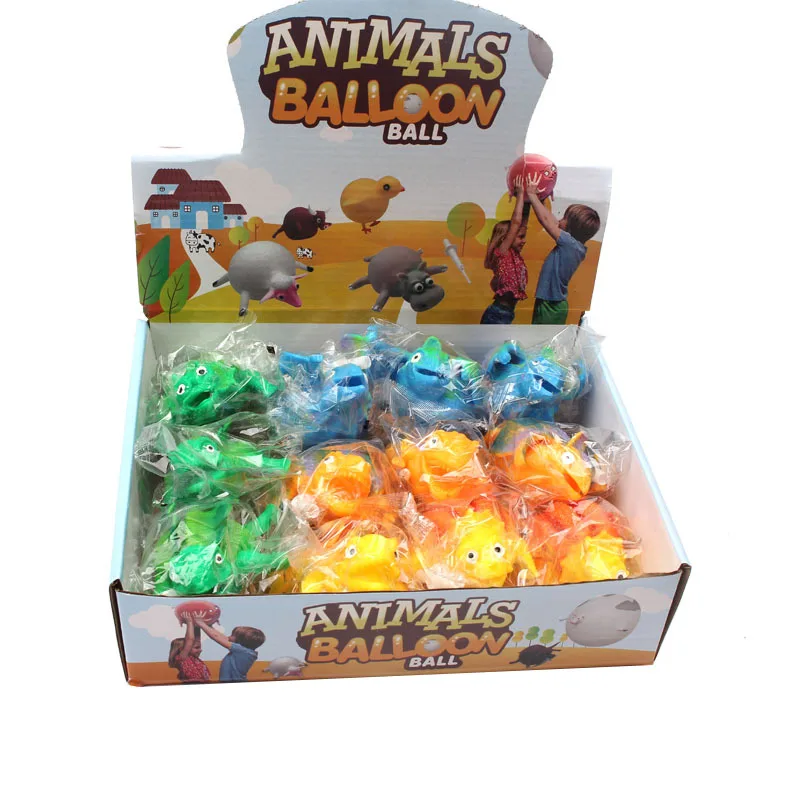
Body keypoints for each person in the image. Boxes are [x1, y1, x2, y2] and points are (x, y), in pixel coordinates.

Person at [526, 173, 601, 325]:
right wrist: (541, 199)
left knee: (539, 337)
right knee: (541, 337)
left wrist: (532, 195)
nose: (559, 219)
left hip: (550, 306)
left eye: (564, 218)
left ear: (572, 227)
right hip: (553, 304)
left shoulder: (568, 244)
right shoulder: (576, 246)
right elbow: (552, 220)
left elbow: (546, 221)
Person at [480, 176, 528, 324]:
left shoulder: (514, 255)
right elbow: (516, 222)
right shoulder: (503, 253)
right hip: (497, 315)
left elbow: (522, 222)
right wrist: (520, 194)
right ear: (505, 239)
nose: (524, 241)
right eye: (520, 237)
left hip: (506, 313)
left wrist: (529, 198)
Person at [194, 618, 265, 683]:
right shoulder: (247, 651)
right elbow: (222, 637)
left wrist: (201, 623)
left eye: (233, 635)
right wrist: (210, 625)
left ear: (239, 641)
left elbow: (216, 637)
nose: (229, 636)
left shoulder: (241, 651)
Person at [168, 615, 210, 683]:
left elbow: (197, 639)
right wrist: (189, 622)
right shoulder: (182, 659)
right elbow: (190, 639)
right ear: (182, 649)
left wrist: (197, 623)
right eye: (197, 648)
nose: (200, 650)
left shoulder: (193, 658)